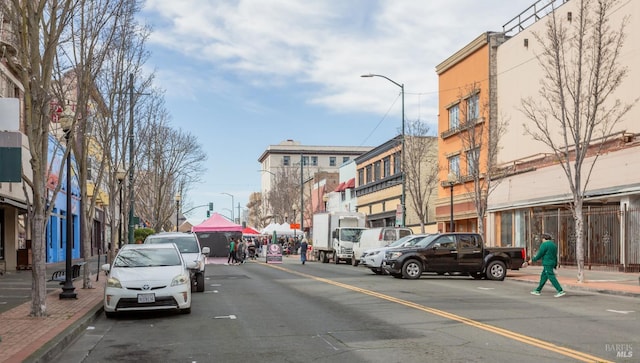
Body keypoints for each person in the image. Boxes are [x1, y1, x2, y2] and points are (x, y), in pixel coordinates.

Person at [529, 233, 565, 297]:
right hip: (552, 262)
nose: (542, 240)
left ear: (544, 239)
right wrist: (555, 264)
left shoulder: (544, 245)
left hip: (547, 263)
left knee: (551, 276)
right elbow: (555, 256)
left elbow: (540, 254)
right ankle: (538, 290)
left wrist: (533, 260)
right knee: (543, 276)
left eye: (542, 239)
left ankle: (560, 290)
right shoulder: (554, 245)